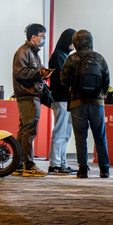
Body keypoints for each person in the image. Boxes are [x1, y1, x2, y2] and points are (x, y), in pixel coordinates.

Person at [60, 29, 111, 178]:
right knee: (100, 136)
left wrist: (73, 87)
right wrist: (101, 93)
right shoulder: (99, 58)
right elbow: (106, 79)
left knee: (80, 137)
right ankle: (104, 169)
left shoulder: (72, 58)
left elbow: (63, 79)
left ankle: (82, 169)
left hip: (78, 102)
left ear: (76, 42)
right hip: (97, 102)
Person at [12, 23, 51, 177]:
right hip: (28, 95)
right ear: (33, 37)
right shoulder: (24, 51)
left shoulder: (32, 52)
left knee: (24, 131)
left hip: (31, 95)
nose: (44, 39)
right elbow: (20, 73)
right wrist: (40, 73)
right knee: (29, 131)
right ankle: (29, 166)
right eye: (42, 36)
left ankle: (18, 165)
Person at [46, 28, 76, 174]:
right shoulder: (58, 56)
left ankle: (62, 162)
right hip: (61, 99)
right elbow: (60, 79)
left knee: (66, 133)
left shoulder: (64, 56)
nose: (74, 45)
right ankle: (55, 163)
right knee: (60, 131)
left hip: (67, 100)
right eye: (73, 42)